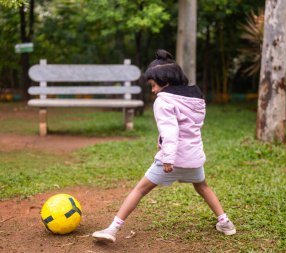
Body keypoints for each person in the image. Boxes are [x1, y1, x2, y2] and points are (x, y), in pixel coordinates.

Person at [92, 49, 236, 243]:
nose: (152, 90)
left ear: (165, 81)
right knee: (202, 186)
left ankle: (112, 229)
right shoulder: (196, 98)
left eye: (153, 85)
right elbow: (187, 127)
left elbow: (171, 131)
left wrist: (168, 157)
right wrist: (162, 141)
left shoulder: (163, 101)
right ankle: (225, 223)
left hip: (172, 161)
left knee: (139, 190)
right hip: (193, 159)